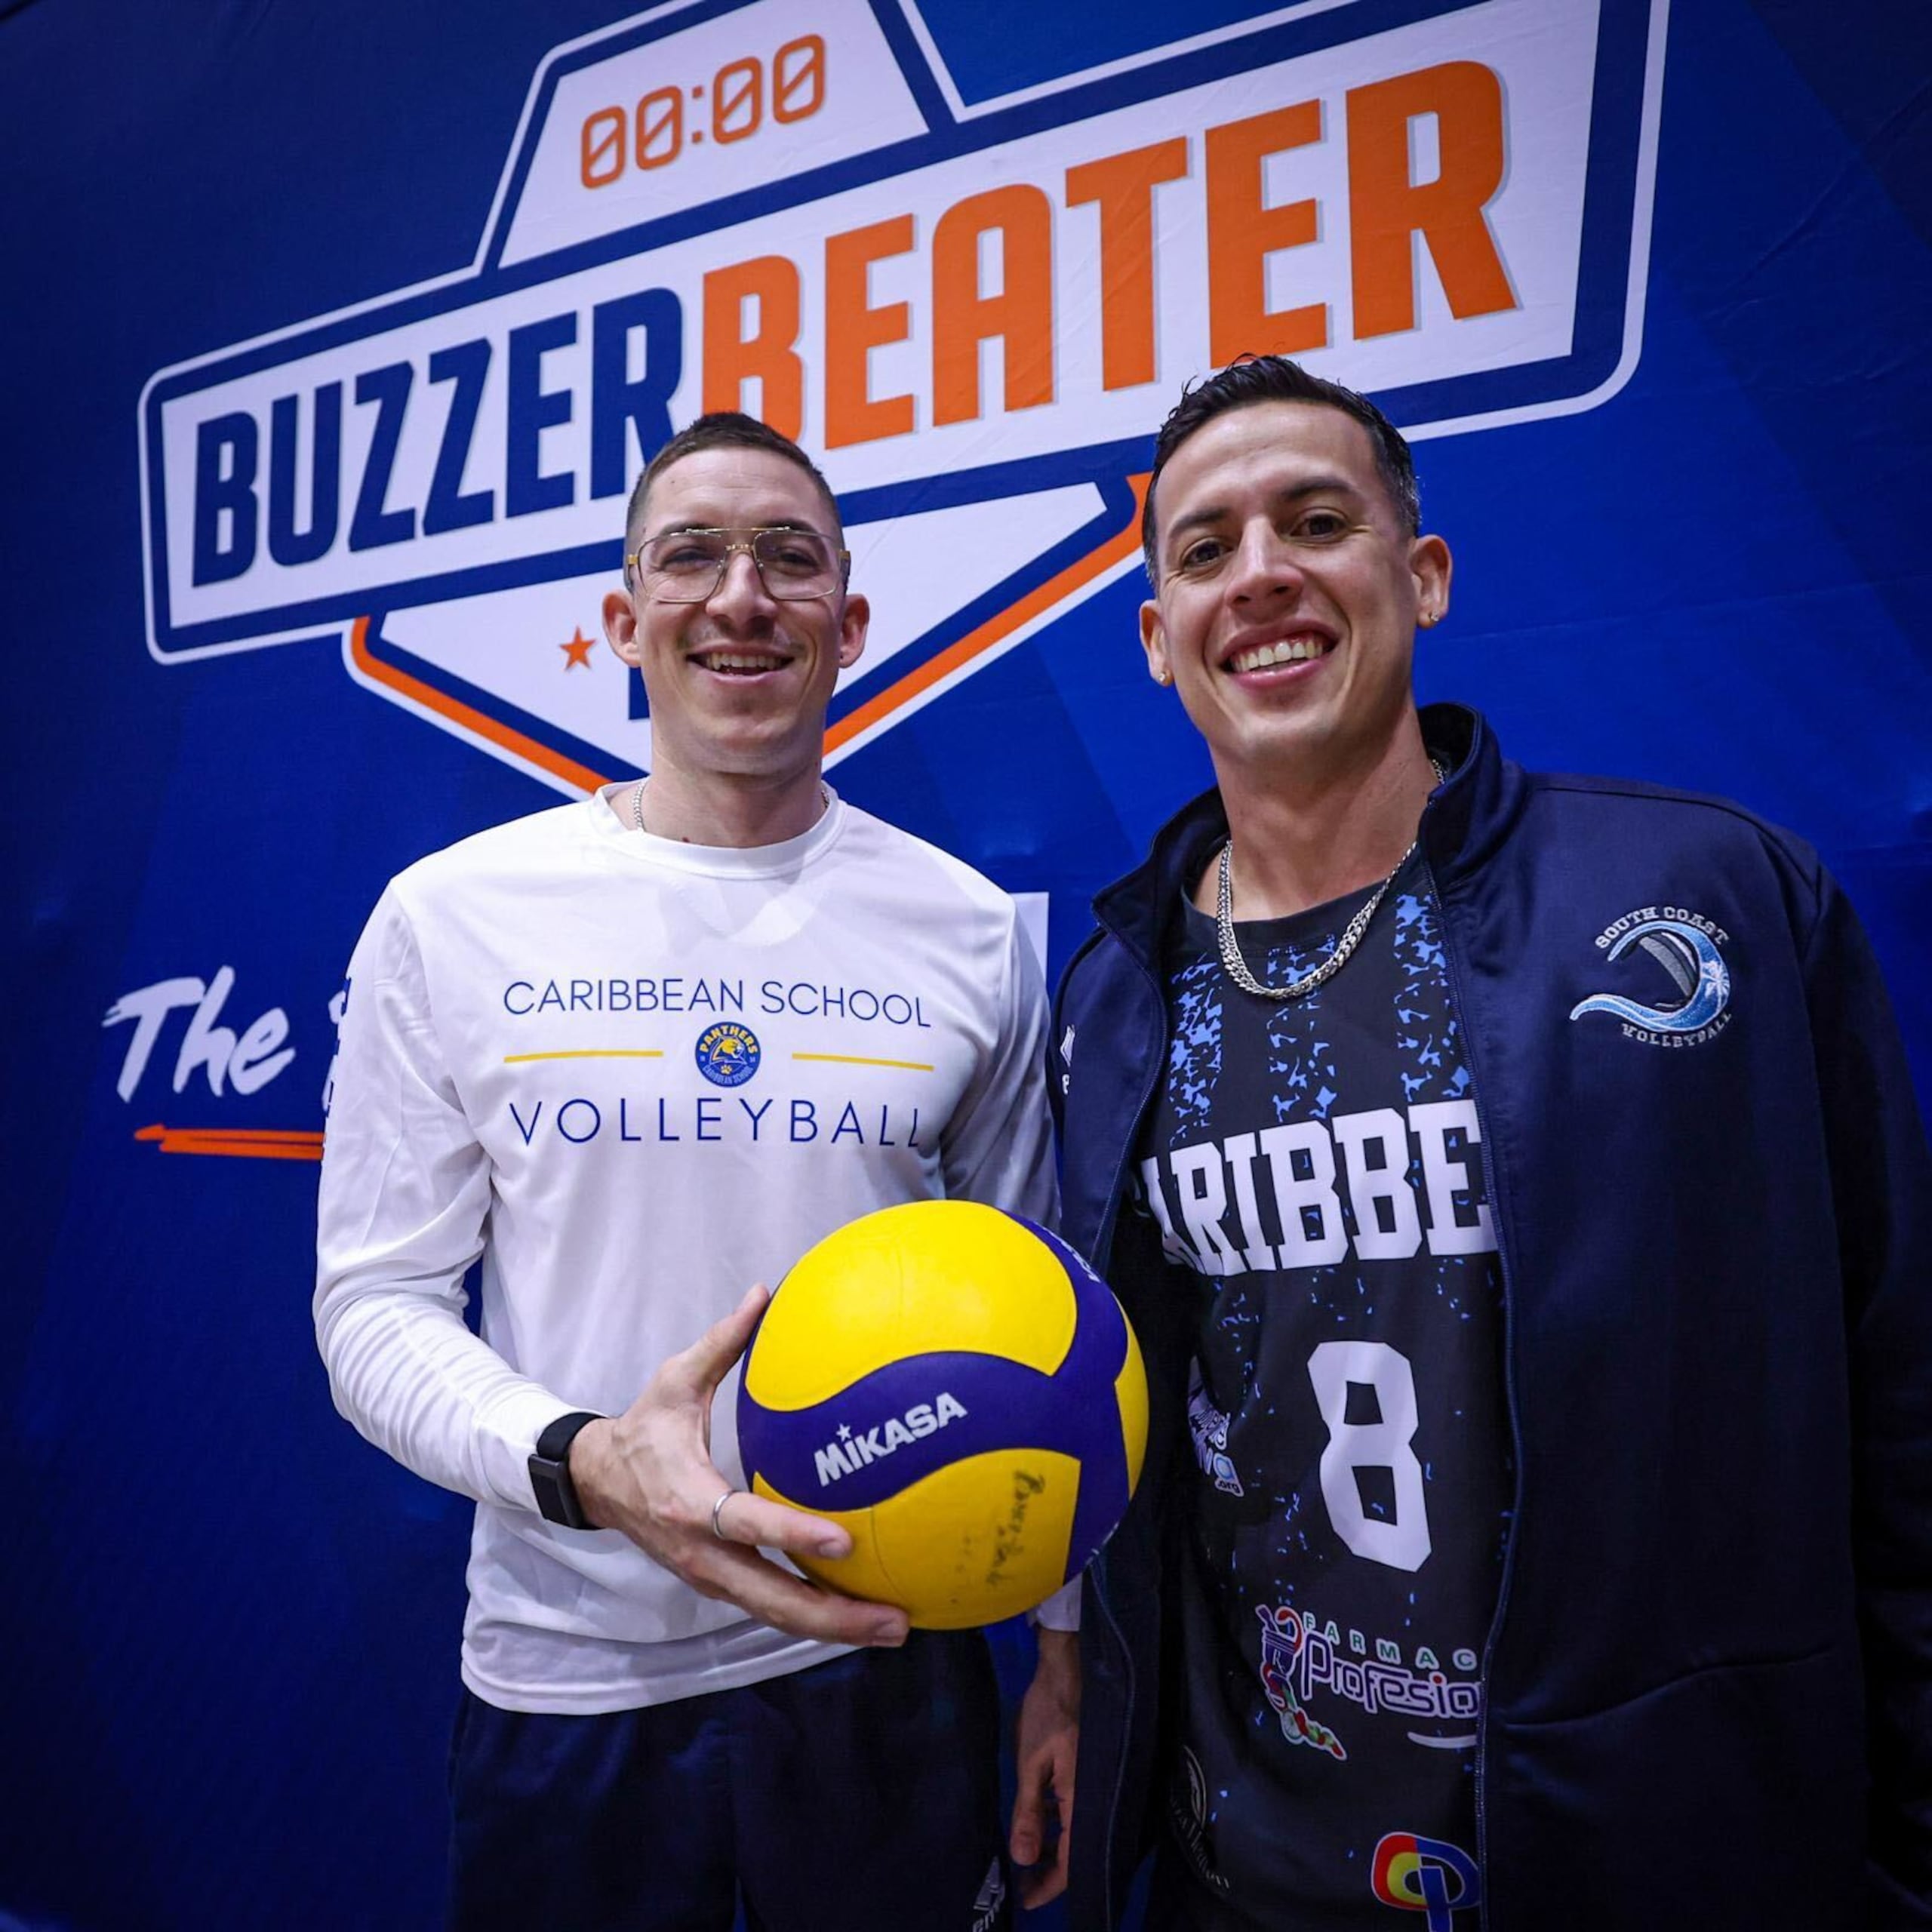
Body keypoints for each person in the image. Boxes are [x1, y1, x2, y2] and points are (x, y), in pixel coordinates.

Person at [1050, 355, 1932, 1930]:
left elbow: (1898, 1388)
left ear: (1420, 574)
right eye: (1203, 548)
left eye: (1313, 519)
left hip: (1648, 1845)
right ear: (1154, 640)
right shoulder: (1118, 990)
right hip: (1252, 1860)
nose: (1259, 573)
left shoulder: (1707, 894)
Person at [315, 411, 1076, 1931]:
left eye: (789, 558)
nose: (743, 593)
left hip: (881, 1659)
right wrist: (584, 1458)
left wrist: (1060, 1654)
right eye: (694, 555)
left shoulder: (971, 930)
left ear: (848, 623)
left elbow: (1039, 1319)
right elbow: (374, 1311)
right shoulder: (450, 916)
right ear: (623, 619)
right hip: (565, 1675)